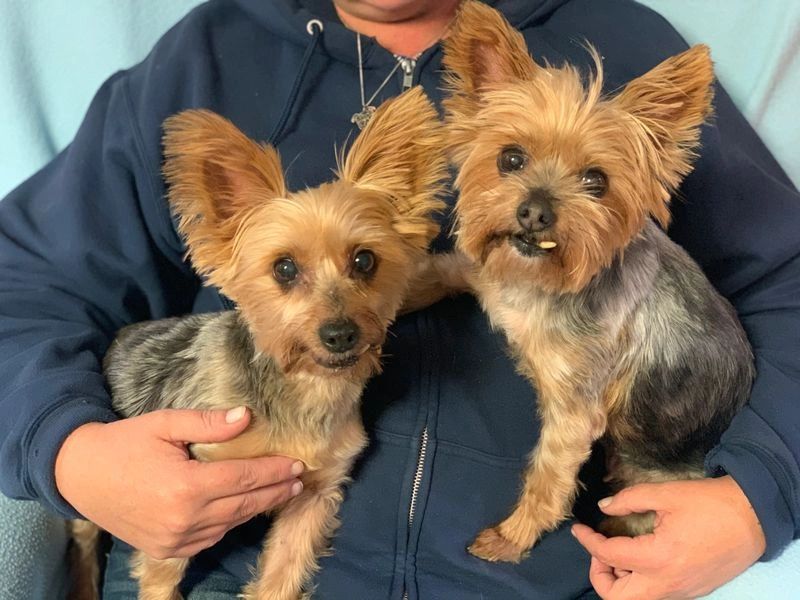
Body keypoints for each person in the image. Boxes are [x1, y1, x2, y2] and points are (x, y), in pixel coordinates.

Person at [0, 1, 797, 598]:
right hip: (224, 567)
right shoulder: (207, 56)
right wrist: (70, 452)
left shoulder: (626, 42)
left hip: (542, 579)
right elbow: (24, 281)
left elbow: (787, 284)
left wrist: (756, 500)